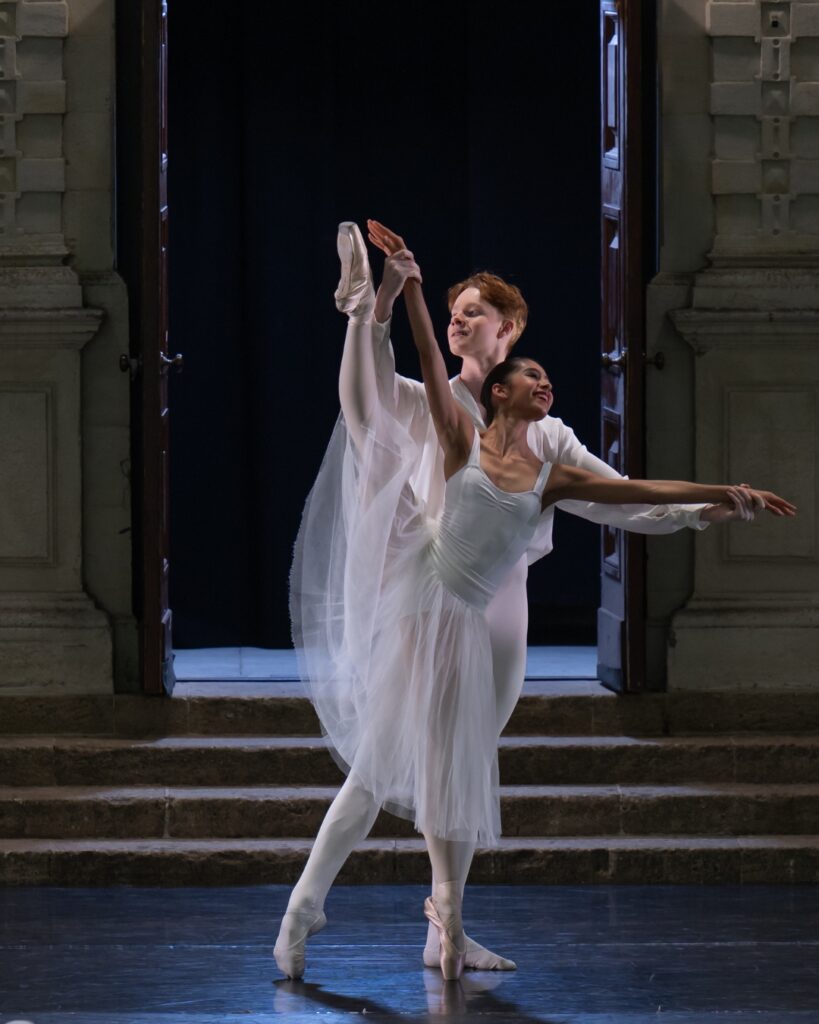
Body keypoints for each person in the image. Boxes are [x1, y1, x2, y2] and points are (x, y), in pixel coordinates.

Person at [274, 225, 795, 982]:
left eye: (474, 311)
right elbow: (362, 406)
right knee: (391, 758)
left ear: (508, 328)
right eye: (453, 311)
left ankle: (445, 925)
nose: (460, 320)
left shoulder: (548, 439)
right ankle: (306, 907)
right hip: (432, 597)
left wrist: (707, 507)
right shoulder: (438, 407)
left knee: (463, 758)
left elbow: (619, 496)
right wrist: (383, 302)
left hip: (499, 603)